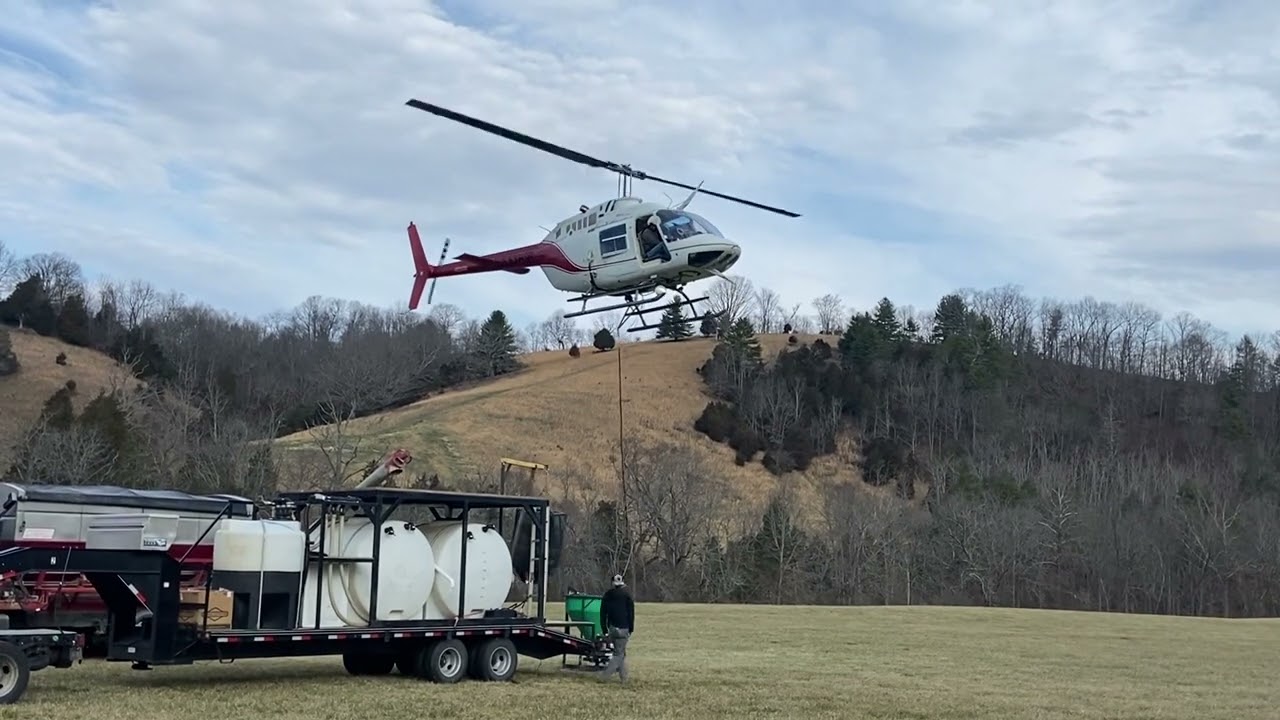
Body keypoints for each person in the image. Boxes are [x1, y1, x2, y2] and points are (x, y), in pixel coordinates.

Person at [598, 573, 634, 683]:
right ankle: (605, 676)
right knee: (618, 654)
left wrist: (605, 630)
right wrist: (631, 628)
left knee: (621, 652)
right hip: (624, 629)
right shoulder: (627, 595)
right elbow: (631, 613)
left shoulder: (607, 595)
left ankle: (624, 678)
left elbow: (603, 614)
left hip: (612, 629)